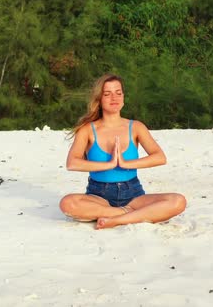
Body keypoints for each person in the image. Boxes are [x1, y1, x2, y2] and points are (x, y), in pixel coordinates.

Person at [59, 73, 186, 229]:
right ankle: (128, 214)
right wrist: (110, 164)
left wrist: (126, 163)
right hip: (98, 196)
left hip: (133, 194)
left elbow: (160, 157)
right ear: (99, 99)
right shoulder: (87, 130)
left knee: (178, 201)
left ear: (123, 97)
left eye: (118, 93)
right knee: (67, 203)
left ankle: (115, 218)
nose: (114, 98)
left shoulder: (136, 127)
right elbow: (72, 163)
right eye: (107, 94)